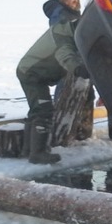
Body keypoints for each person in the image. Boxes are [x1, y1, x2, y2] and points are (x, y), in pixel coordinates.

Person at [16, 18, 89, 164]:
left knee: (36, 110)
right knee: (44, 111)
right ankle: (38, 153)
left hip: (33, 72)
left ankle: (28, 149)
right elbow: (65, 55)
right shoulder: (64, 38)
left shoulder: (68, 31)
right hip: (32, 74)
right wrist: (78, 69)